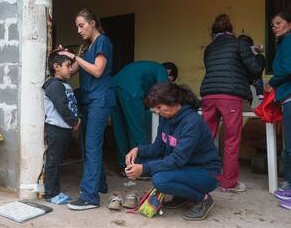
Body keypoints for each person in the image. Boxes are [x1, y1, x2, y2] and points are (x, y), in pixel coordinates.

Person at [125, 82, 221, 221]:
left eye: (159, 107)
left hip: (206, 173)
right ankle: (183, 196)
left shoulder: (192, 122)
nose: (157, 111)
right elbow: (158, 147)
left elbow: (177, 159)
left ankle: (203, 199)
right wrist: (137, 150)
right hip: (185, 167)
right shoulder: (166, 118)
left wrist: (144, 168)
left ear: (173, 101)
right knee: (140, 161)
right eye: (155, 108)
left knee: (160, 180)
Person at [200, 14, 265, 192]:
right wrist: (259, 55)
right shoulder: (240, 44)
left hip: (208, 95)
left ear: (214, 34)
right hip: (230, 96)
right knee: (231, 139)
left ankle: (201, 176)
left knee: (205, 138)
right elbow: (255, 69)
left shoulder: (210, 48)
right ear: (232, 31)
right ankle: (229, 183)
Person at [57, 9, 115, 210]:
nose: (79, 30)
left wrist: (75, 56)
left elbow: (98, 71)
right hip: (88, 100)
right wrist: (63, 57)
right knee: (87, 145)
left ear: (92, 23)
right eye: (77, 27)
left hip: (100, 99)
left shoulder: (102, 42)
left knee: (91, 145)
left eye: (81, 25)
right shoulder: (86, 47)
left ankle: (90, 197)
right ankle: (100, 185)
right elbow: (71, 72)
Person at [111, 61, 169, 173]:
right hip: (130, 89)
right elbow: (165, 93)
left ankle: (124, 166)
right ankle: (141, 168)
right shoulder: (162, 70)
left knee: (120, 128)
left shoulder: (147, 67)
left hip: (114, 86)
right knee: (137, 128)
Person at [42, 51, 81, 205]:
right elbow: (62, 108)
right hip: (56, 129)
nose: (71, 69)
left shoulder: (63, 84)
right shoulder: (54, 85)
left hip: (63, 129)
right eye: (67, 66)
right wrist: (74, 121)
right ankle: (51, 194)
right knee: (53, 161)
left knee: (57, 161)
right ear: (56, 67)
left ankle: (55, 191)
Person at [265, 12, 291, 210]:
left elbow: (287, 67)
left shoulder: (289, 40)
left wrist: (271, 83)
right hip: (286, 96)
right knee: (287, 146)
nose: (274, 27)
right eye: (273, 24)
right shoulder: (284, 42)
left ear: (289, 24)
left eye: (279, 23)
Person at [237, 34, 265, 101]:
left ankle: (260, 93)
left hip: (243, 84)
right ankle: (260, 93)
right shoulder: (236, 55)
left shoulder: (257, 55)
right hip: (242, 85)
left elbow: (258, 69)